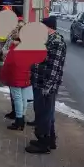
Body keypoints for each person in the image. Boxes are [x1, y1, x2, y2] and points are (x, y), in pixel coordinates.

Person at [25, 16, 67, 154]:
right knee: (46, 113)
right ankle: (50, 140)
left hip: (45, 85)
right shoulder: (47, 40)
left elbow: (54, 68)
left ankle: (43, 144)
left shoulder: (57, 42)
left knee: (43, 114)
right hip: (39, 82)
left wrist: (47, 87)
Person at [0, 23, 37, 131]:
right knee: (23, 98)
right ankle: (22, 118)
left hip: (16, 75)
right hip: (26, 74)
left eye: (16, 31)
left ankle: (19, 120)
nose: (14, 33)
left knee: (17, 98)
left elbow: (10, 61)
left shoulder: (15, 45)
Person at [1, 18, 25, 120]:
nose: (15, 29)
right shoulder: (11, 37)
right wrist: (5, 51)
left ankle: (19, 117)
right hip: (11, 67)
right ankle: (15, 112)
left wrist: (7, 52)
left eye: (18, 27)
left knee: (18, 95)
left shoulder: (22, 41)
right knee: (14, 93)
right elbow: (5, 48)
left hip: (17, 70)